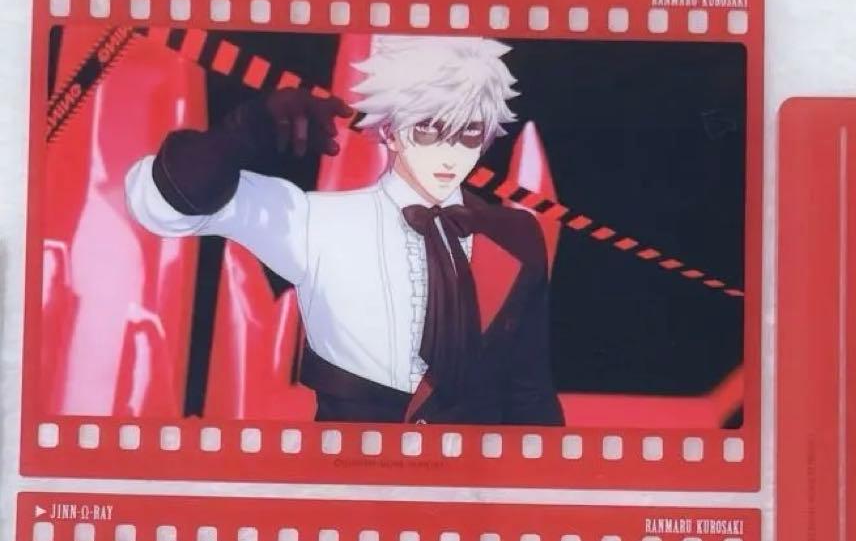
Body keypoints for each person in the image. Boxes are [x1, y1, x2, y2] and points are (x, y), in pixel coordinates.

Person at [124, 36, 564, 425]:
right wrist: (243, 132)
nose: (450, 153)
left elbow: (530, 394)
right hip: (346, 475)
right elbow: (161, 204)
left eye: (469, 133)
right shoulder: (317, 223)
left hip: (469, 480)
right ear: (390, 130)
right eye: (429, 129)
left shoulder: (514, 234)